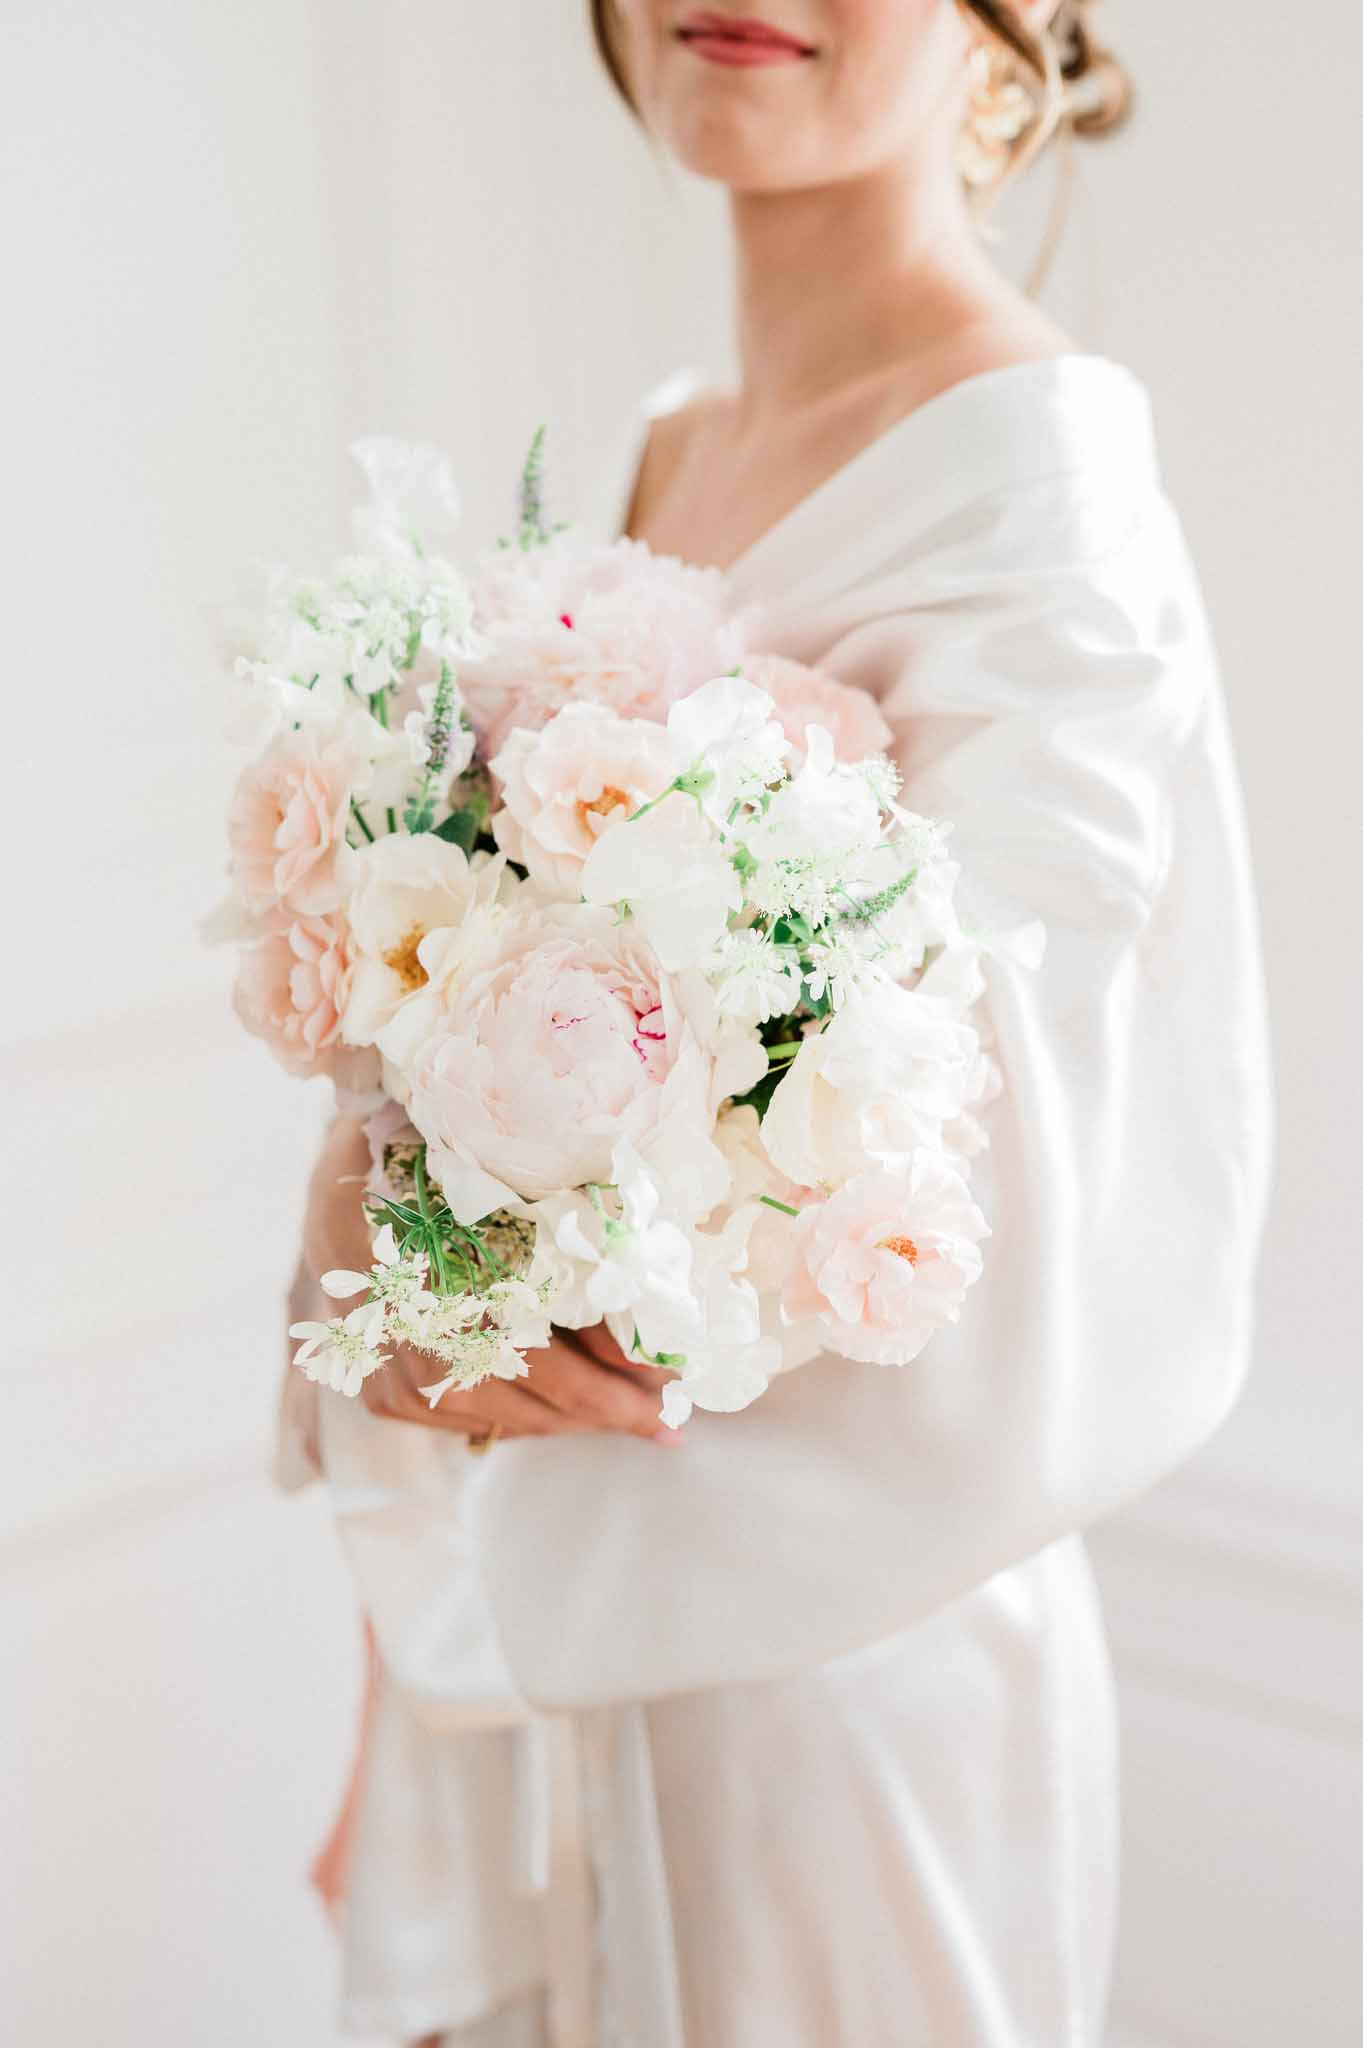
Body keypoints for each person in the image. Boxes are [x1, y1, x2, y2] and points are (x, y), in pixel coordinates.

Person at [282, 4, 1275, 2042]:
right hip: (552, 1655)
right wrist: (374, 1242)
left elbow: (1014, 1204)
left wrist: (463, 1274)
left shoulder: (1036, 478)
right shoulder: (664, 443)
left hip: (852, 1683)